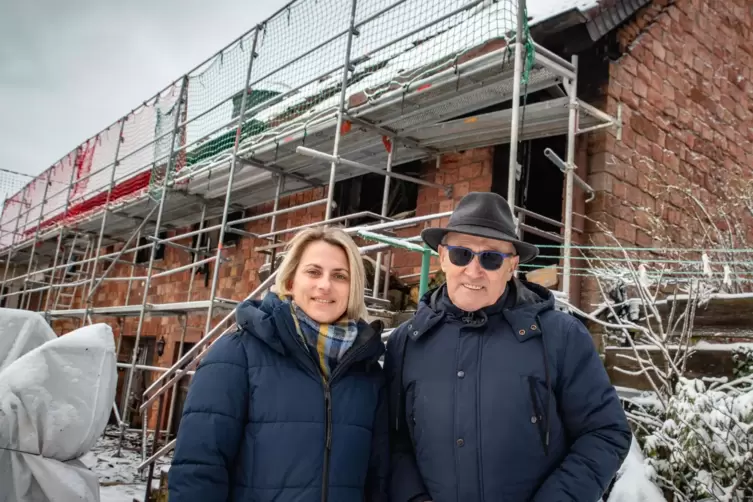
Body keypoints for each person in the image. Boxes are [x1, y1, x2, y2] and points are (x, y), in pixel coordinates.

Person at [385, 192, 632, 502]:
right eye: (462, 254)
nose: (474, 270)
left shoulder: (560, 337)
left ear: (511, 265)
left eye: (490, 258)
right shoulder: (405, 343)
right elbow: (394, 442)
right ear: (443, 257)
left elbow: (606, 432)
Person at [169, 226, 389, 502]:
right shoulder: (236, 355)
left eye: (339, 276)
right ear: (289, 281)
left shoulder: (367, 372)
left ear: (352, 287)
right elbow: (199, 470)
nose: (325, 285)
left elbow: (378, 479)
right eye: (313, 272)